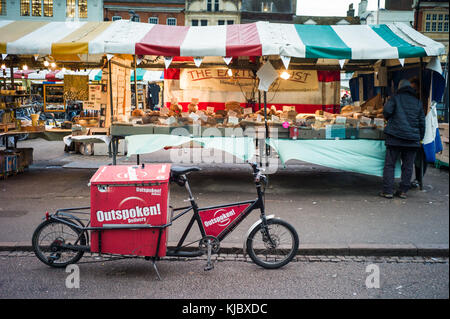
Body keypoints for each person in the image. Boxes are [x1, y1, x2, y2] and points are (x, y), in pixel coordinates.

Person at [380, 79, 425, 199]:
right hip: (412, 140)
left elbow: (386, 111)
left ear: (399, 88)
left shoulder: (395, 98)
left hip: (394, 137)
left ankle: (388, 191)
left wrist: (390, 118)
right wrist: (420, 137)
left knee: (390, 165)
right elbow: (422, 122)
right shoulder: (418, 102)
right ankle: (403, 191)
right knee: (408, 166)